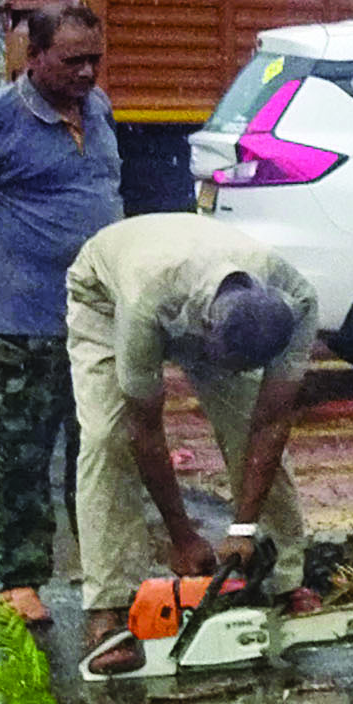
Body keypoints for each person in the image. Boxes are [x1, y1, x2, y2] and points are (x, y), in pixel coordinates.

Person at [59, 212, 319, 664]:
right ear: (208, 333)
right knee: (107, 436)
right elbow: (145, 429)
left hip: (206, 288)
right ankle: (110, 604)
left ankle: (284, 579)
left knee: (246, 425)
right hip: (107, 294)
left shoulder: (297, 301)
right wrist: (182, 536)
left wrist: (241, 529)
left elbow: (272, 421)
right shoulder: (146, 299)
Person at [0, 4, 122, 622]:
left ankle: (105, 573)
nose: (88, 72)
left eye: (94, 58)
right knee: (22, 457)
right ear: (33, 56)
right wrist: (6, 264)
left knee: (97, 452)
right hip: (22, 324)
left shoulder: (99, 109)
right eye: (73, 61)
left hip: (95, 324)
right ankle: (20, 580)